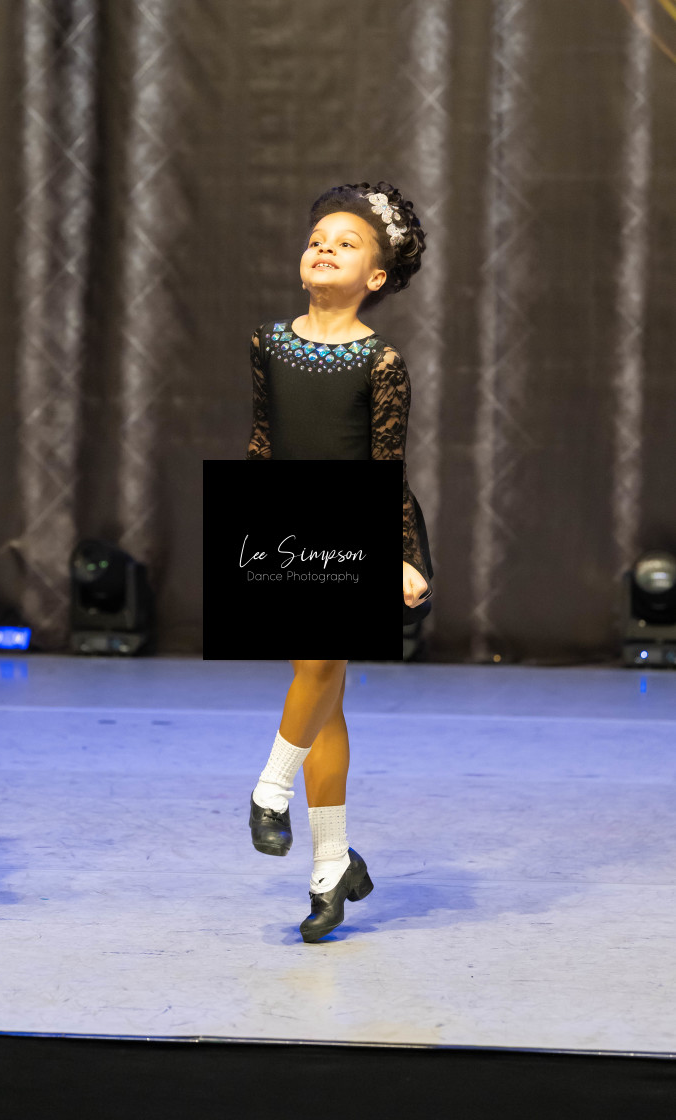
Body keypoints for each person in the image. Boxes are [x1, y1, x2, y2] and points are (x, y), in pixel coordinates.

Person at [245, 181, 433, 942]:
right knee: (324, 696)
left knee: (321, 665)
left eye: (346, 243)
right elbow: (264, 441)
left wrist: (401, 554)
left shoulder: (382, 362)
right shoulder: (267, 342)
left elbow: (388, 467)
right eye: (317, 238)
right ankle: (332, 865)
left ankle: (270, 789)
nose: (325, 247)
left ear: (375, 277)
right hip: (290, 530)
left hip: (354, 528)